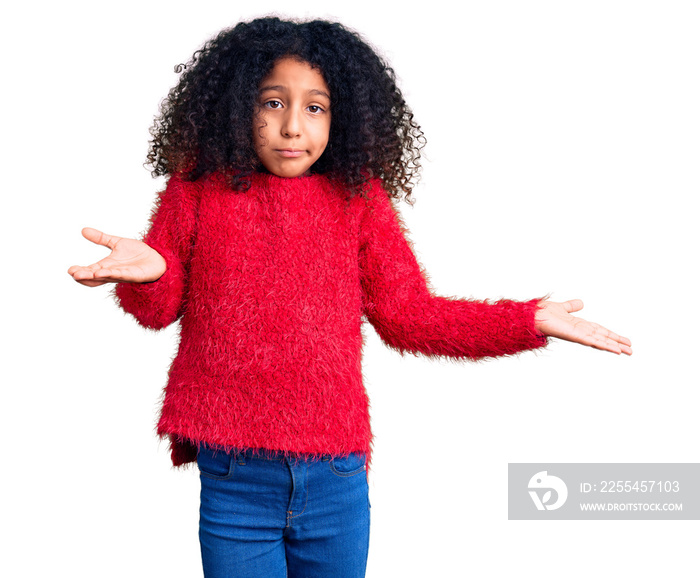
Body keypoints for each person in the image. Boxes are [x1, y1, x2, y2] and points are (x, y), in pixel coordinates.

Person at [67, 16, 632, 578]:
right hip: (235, 477)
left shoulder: (356, 197)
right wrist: (149, 276)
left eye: (315, 107)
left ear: (343, 118)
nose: (292, 127)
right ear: (238, 105)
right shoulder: (196, 188)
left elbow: (410, 316)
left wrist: (527, 320)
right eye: (272, 103)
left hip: (334, 476)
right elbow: (157, 310)